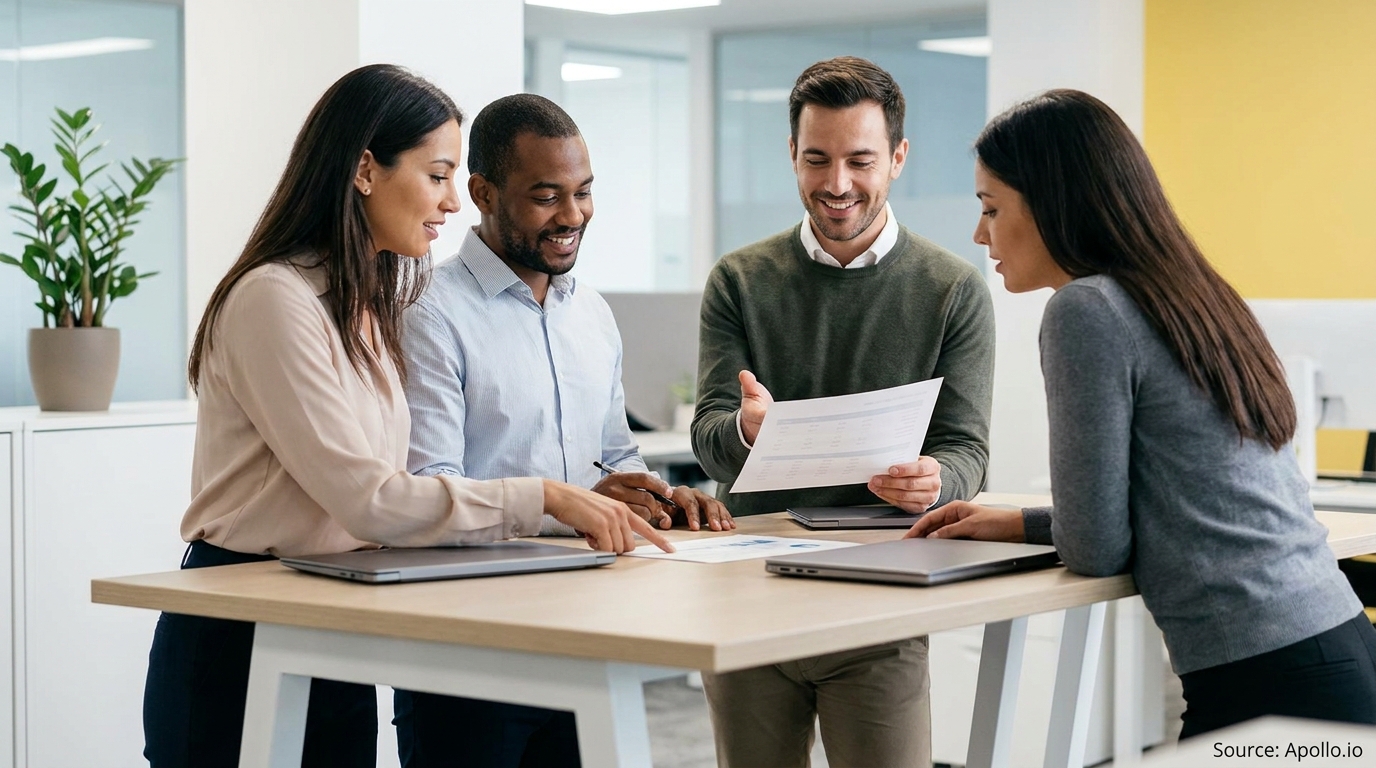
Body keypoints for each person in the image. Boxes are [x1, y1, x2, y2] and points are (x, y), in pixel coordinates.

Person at [142, 65, 670, 768]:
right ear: (365, 169)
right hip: (242, 617)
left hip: (332, 613)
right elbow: (370, 498)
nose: (455, 203)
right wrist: (544, 496)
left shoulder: (368, 301)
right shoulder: (275, 299)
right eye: (439, 175)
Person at [909, 88, 1376, 738]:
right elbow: (1174, 502)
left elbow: (1097, 548)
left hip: (1270, 681)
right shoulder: (1190, 291)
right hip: (1335, 646)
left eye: (991, 208)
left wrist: (1055, 525)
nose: (978, 232)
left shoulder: (1085, 311)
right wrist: (1026, 522)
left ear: (1052, 204)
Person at [393, 93, 732, 767]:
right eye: (547, 196)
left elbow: (612, 457)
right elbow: (430, 486)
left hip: (589, 628)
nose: (572, 216)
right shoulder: (428, 313)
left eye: (583, 193)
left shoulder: (593, 315)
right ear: (484, 192)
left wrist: (654, 495)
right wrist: (567, 510)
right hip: (471, 644)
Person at [692, 56, 995, 767]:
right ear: (791, 157)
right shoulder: (738, 280)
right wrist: (744, 430)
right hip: (750, 595)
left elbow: (967, 452)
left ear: (897, 158)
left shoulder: (953, 289)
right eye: (816, 160)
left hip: (878, 599)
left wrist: (935, 480)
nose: (836, 185)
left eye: (860, 160)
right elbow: (710, 440)